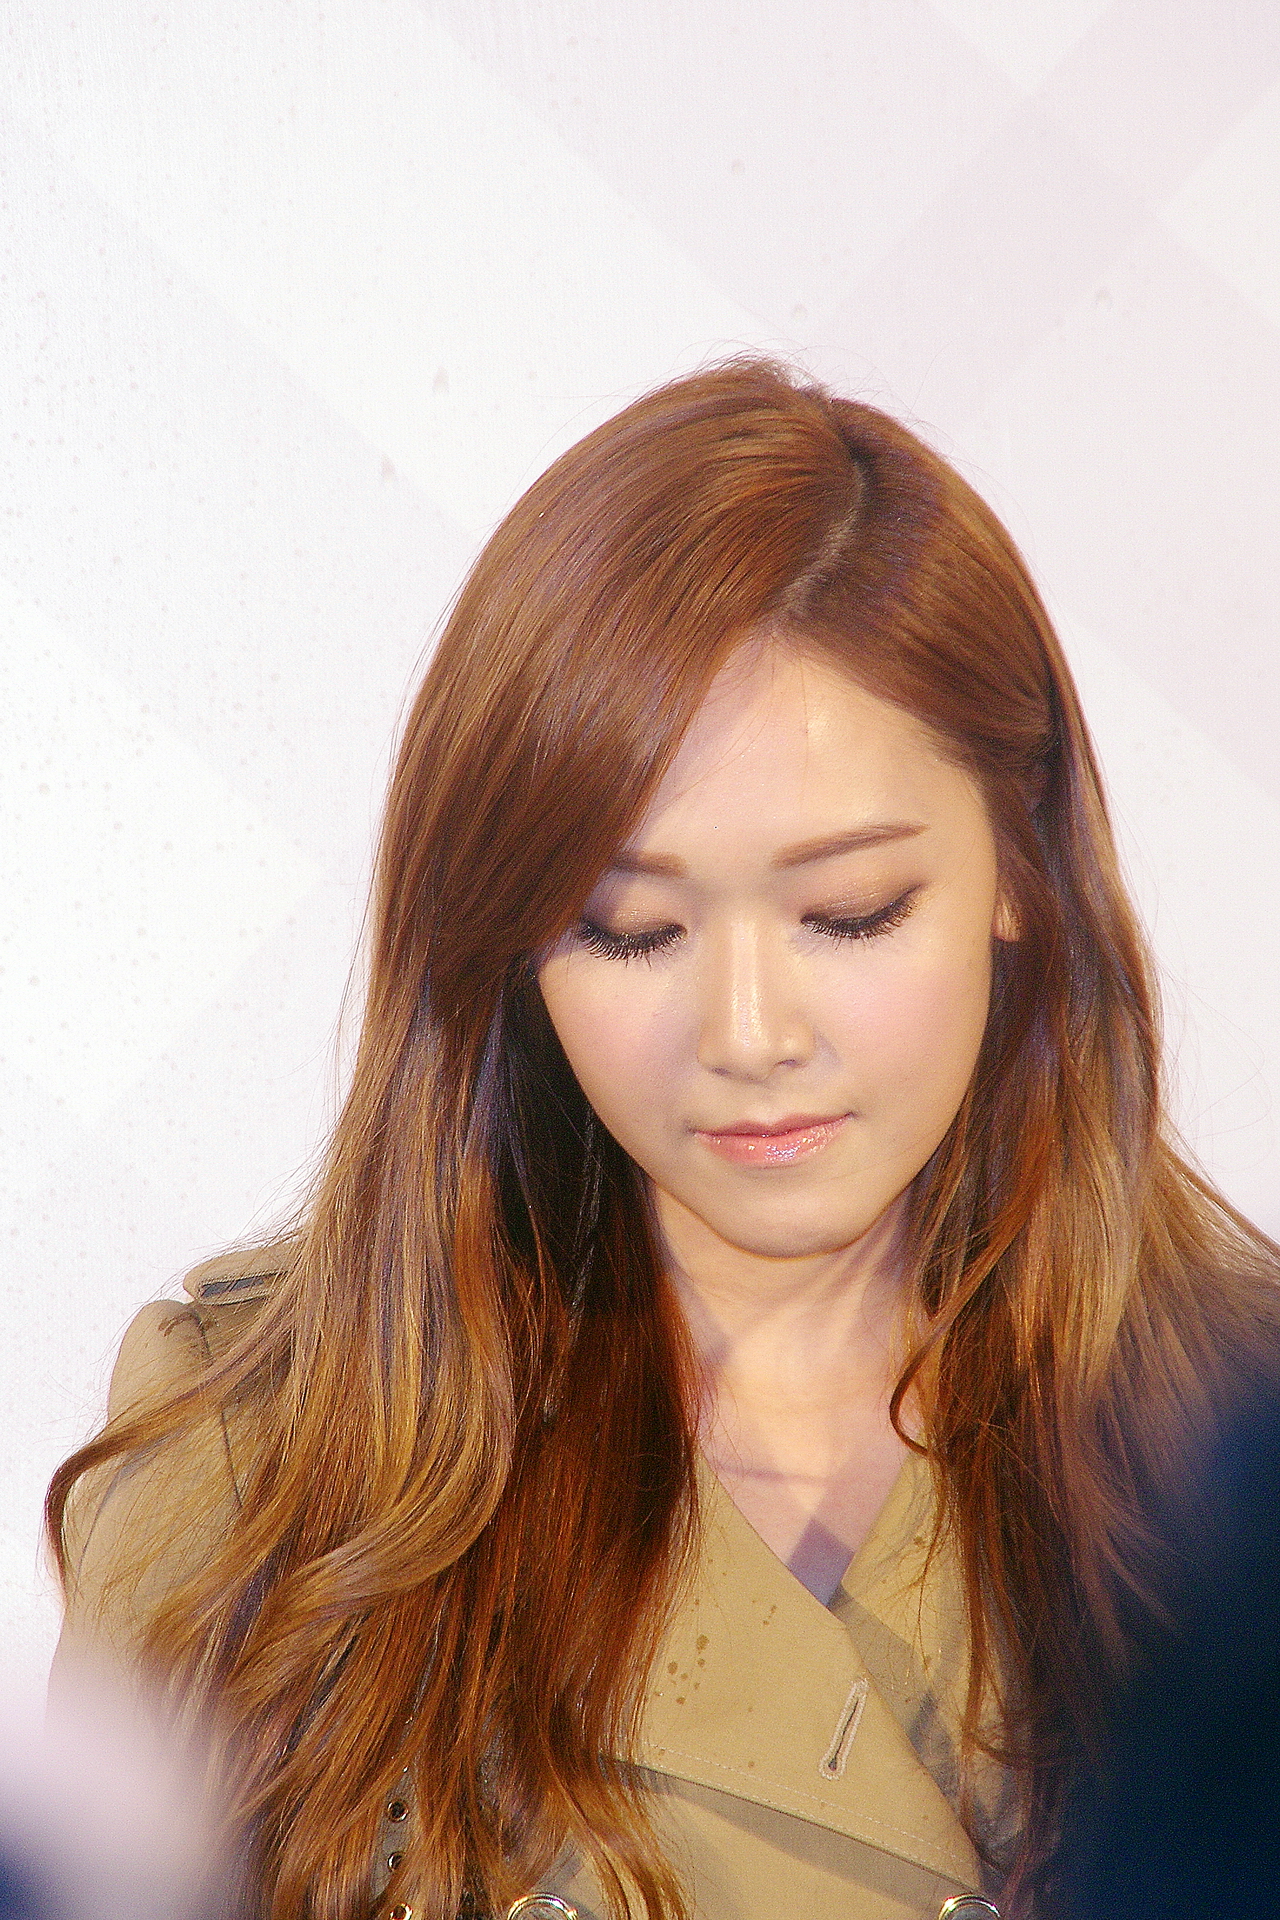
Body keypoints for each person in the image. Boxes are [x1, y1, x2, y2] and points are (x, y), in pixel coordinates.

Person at [46, 360, 1280, 1920]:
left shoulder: (1240, 1460)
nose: (749, 1033)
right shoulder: (264, 1477)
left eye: (850, 911)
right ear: (512, 946)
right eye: (631, 930)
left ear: (1022, 863)